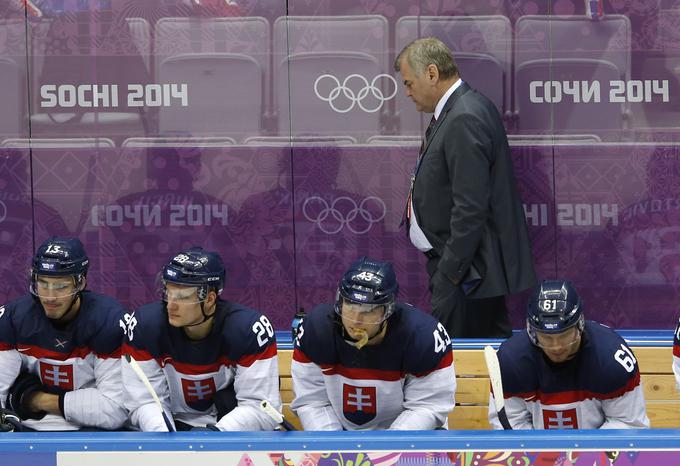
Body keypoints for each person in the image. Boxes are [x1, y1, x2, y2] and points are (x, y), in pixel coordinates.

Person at [394, 37, 536, 338]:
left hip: (468, 276)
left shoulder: (464, 116)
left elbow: (470, 206)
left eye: (409, 83)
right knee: (484, 362)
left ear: (432, 74)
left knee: (459, 370)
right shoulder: (459, 110)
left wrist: (450, 274)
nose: (406, 92)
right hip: (468, 272)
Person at [121, 246, 281, 431]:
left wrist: (212, 438)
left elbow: (260, 408)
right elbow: (143, 402)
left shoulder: (249, 330)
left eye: (182, 297)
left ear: (210, 299)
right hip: (173, 432)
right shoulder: (144, 326)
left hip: (229, 436)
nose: (170, 306)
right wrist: (166, 442)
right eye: (168, 293)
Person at [291, 256, 456, 430]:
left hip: (408, 444)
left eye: (368, 311)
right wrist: (334, 447)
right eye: (350, 305)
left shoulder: (423, 336)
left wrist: (385, 451)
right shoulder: (316, 329)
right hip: (341, 442)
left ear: (388, 310)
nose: (355, 320)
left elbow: (427, 407)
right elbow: (313, 402)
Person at [0, 236, 128, 431]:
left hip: (95, 434)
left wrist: (35, 400)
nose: (50, 296)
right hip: (27, 431)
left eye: (61, 286)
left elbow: (114, 410)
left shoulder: (108, 321)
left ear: (80, 283)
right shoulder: (12, 318)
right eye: (43, 284)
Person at [488, 280, 649, 430]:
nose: (556, 346)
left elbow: (629, 425)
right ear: (533, 332)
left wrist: (585, 456)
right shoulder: (510, 362)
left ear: (580, 325)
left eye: (564, 335)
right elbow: (511, 425)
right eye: (547, 338)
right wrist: (545, 456)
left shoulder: (612, 359)